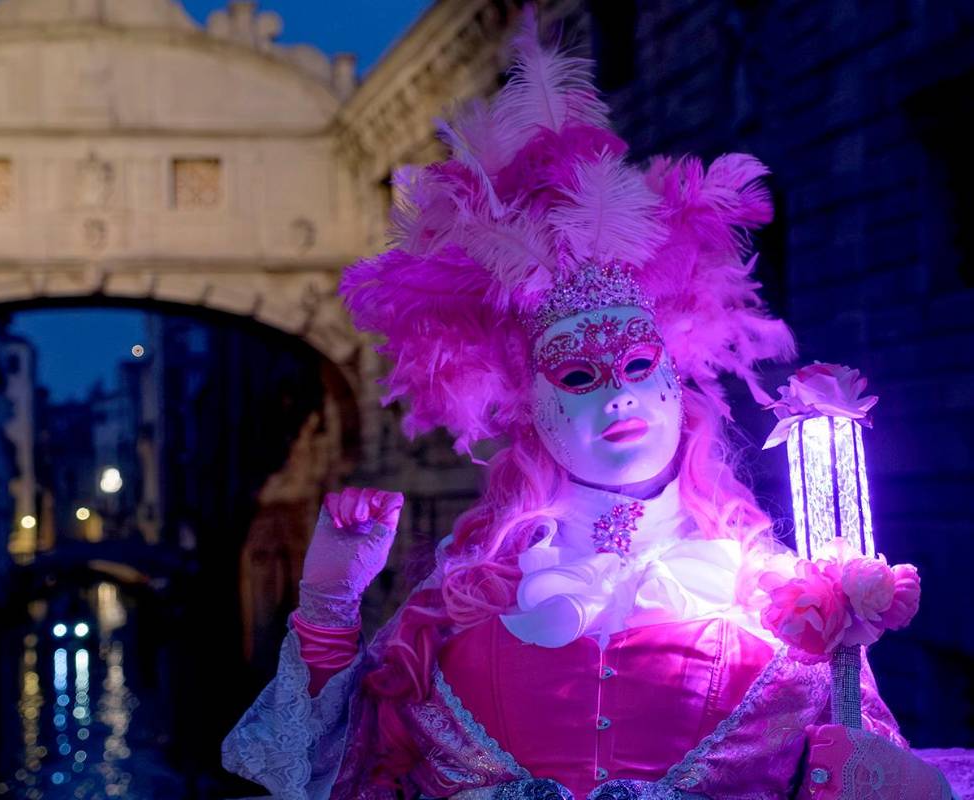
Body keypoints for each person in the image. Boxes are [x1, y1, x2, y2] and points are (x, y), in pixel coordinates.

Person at [220, 7, 956, 800]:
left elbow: (864, 766)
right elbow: (321, 770)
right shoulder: (458, 612)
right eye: (578, 377)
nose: (621, 395)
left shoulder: (794, 607)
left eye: (642, 365)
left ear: (680, 380)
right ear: (529, 409)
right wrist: (329, 601)